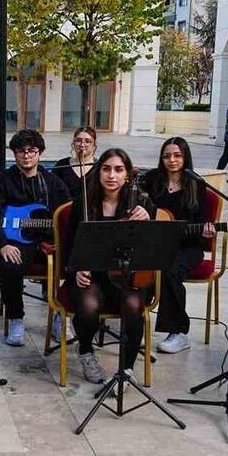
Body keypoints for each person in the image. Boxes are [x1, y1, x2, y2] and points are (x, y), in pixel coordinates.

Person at [64, 148, 155, 385]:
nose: (111, 175)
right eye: (106, 169)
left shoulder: (141, 203)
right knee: (89, 304)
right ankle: (85, 350)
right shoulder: (83, 203)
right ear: (98, 172)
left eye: (118, 170)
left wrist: (149, 218)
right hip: (92, 275)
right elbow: (69, 245)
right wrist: (77, 268)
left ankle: (127, 369)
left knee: (134, 305)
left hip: (127, 275)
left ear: (127, 174)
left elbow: (152, 245)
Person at [0, 129, 70, 347]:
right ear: (15, 154)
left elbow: (66, 213)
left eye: (31, 151)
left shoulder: (53, 183)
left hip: (46, 240)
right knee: (9, 264)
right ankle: (16, 318)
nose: (26, 155)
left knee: (75, 263)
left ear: (40, 153)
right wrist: (2, 244)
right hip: (15, 242)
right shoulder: (2, 181)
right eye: (21, 151)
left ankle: (60, 314)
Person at [140, 137, 215, 354]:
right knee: (136, 266)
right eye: (167, 156)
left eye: (177, 155)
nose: (172, 160)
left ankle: (179, 333)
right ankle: (137, 321)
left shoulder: (197, 184)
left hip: (187, 247)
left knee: (169, 270)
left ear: (185, 157)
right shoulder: (152, 179)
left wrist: (206, 232)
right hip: (155, 244)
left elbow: (202, 222)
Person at [52, 126, 98, 199]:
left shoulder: (99, 167)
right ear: (73, 143)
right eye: (79, 140)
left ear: (94, 145)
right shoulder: (62, 165)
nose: (82, 144)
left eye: (87, 141)